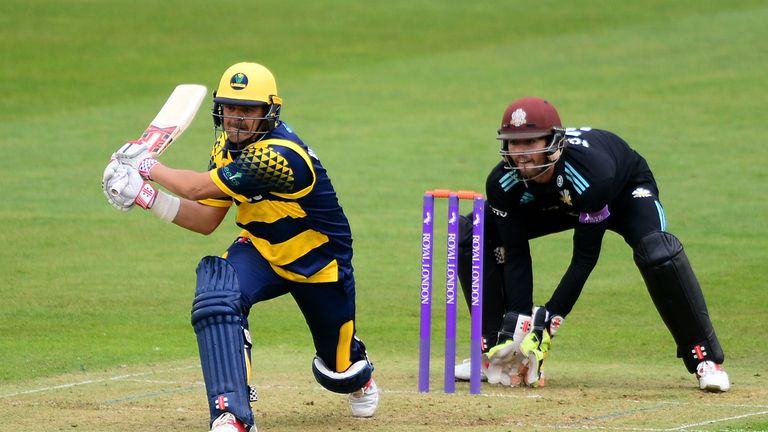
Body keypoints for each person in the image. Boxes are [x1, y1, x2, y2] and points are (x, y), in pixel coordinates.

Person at [101, 62, 379, 432]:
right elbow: (205, 219)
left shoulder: (279, 155)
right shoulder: (225, 147)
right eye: (230, 108)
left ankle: (356, 370)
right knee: (217, 294)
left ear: (269, 112)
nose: (236, 118)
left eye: (247, 110)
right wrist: (143, 195)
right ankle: (231, 415)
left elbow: (196, 188)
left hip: (317, 262)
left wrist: (145, 164)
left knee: (337, 371)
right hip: (261, 249)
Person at [454, 96, 729, 392]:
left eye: (530, 142)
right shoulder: (502, 182)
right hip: (557, 200)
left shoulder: (592, 175)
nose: (520, 153)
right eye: (513, 142)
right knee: (473, 235)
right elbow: (517, 252)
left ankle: (705, 360)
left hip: (620, 193)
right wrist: (520, 321)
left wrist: (550, 317)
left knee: (657, 253)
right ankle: (498, 353)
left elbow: (584, 258)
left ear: (554, 142)